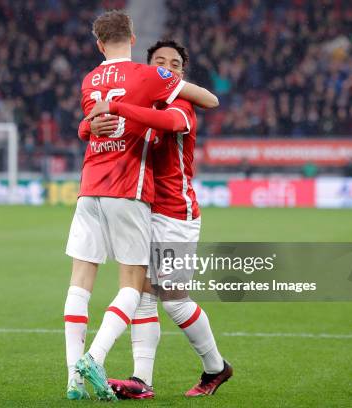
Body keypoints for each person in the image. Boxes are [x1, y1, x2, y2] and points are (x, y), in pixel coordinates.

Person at [63, 11, 218, 401]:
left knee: (174, 300)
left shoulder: (178, 103)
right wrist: (87, 125)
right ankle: (141, 380)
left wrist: (116, 109)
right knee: (145, 294)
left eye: (176, 65)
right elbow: (92, 125)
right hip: (141, 203)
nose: (167, 68)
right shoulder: (139, 87)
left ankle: (216, 367)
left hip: (175, 212)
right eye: (160, 63)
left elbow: (177, 118)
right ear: (145, 67)